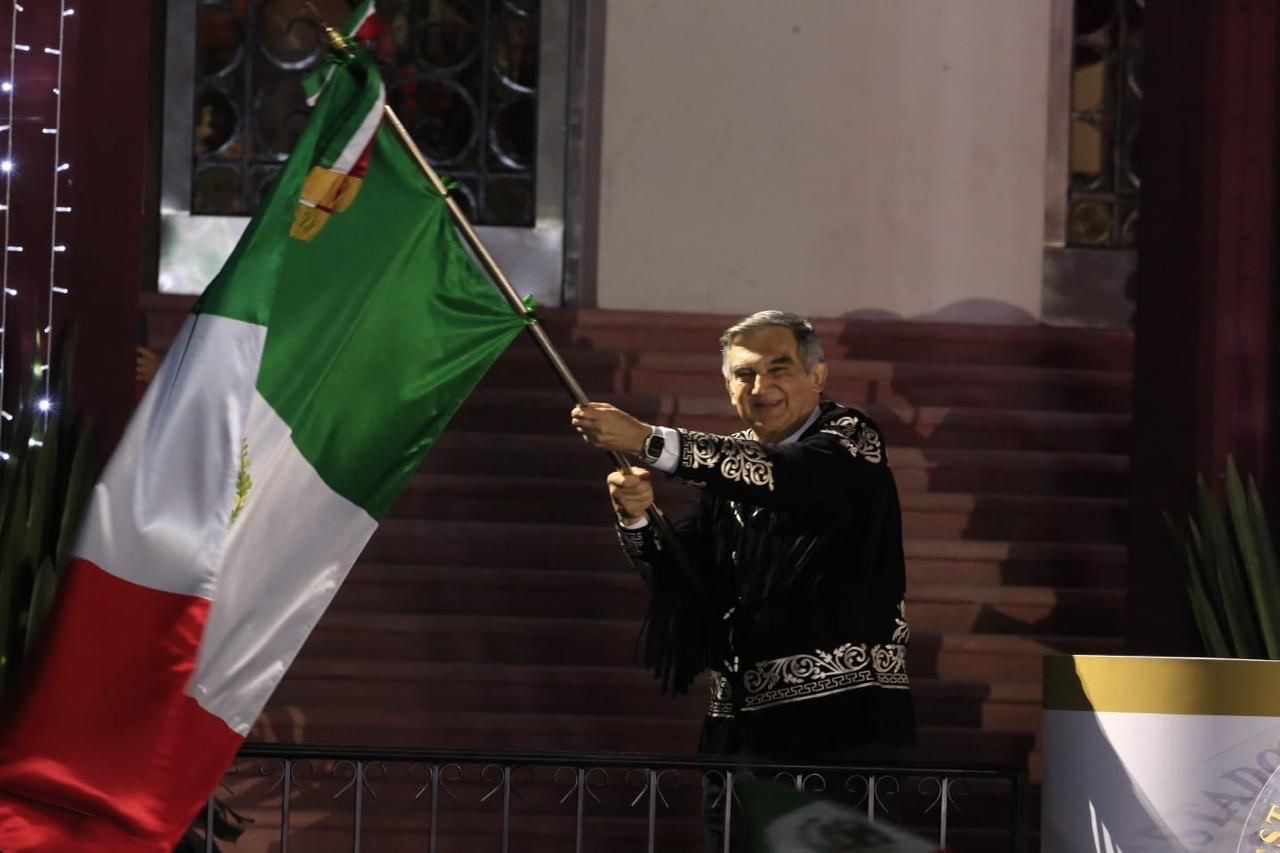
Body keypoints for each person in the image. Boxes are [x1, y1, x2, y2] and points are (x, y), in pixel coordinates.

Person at [571, 310, 914, 762]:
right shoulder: (727, 477)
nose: (760, 387)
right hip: (735, 732)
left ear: (818, 376)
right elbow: (681, 576)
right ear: (727, 386)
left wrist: (648, 439)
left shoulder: (852, 439)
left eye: (778, 369)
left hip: (843, 725)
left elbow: (788, 477)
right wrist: (635, 517)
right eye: (744, 374)